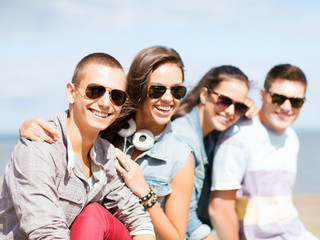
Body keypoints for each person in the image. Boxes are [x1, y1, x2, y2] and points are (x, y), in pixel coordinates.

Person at [18, 46, 194, 240]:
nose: (168, 98)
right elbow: (76, 117)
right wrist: (28, 128)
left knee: (93, 214)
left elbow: (172, 236)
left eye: (177, 90)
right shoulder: (106, 129)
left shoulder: (179, 155)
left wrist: (144, 192)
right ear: (138, 90)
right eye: (157, 89)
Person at [0, 53, 155, 239]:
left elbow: (137, 218)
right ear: (71, 93)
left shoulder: (105, 155)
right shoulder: (38, 149)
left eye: (116, 96)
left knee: (96, 214)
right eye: (95, 91)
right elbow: (47, 232)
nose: (106, 103)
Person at [208, 64, 318, 239]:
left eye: (296, 101)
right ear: (262, 95)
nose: (287, 107)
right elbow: (219, 209)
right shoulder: (238, 137)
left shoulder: (291, 138)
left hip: (295, 232)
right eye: (279, 98)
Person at [172, 65, 257, 239]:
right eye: (224, 101)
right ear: (204, 95)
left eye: (239, 106)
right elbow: (185, 216)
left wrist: (250, 113)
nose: (231, 112)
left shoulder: (211, 134)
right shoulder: (183, 138)